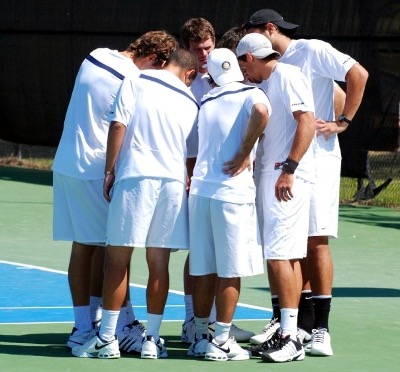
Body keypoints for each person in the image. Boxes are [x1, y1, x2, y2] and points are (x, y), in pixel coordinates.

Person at [243, 9, 369, 356]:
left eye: (253, 34)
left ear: (269, 29)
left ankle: (320, 329)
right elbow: (330, 92)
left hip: (318, 162)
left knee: (314, 240)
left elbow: (357, 73)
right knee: (285, 244)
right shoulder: (266, 70)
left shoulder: (310, 49)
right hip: (285, 163)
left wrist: (342, 122)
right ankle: (291, 322)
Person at [52, 30, 178, 353]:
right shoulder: (133, 77)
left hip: (67, 163)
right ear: (154, 60)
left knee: (86, 246)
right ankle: (121, 325)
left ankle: (86, 326)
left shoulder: (95, 54)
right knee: (117, 251)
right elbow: (124, 124)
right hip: (95, 169)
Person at [71, 48, 200, 360]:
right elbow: (190, 154)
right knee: (159, 263)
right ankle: (152, 340)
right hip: (172, 183)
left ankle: (106, 339)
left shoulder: (135, 79)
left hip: (135, 178)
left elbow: (118, 125)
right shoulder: (191, 100)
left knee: (116, 258)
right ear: (190, 74)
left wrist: (109, 170)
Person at [236, 33, 316, 363]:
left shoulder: (288, 75)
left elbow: (307, 122)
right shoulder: (266, 83)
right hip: (272, 175)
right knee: (287, 255)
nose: (243, 72)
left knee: (280, 255)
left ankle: (290, 337)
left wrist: (289, 169)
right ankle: (291, 331)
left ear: (251, 58)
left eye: (243, 65)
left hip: (286, 177)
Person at [187, 48, 270, 362]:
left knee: (205, 268)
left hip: (201, 193)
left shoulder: (207, 99)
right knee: (230, 270)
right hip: (231, 195)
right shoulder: (252, 92)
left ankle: (200, 335)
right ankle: (222, 340)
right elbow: (262, 113)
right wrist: (244, 151)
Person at [179, 17, 255, 344]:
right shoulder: (187, 81)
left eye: (208, 48)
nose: (203, 54)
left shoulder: (229, 79)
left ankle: (214, 322)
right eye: (197, 49)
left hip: (223, 178)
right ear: (188, 49)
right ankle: (192, 321)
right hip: (195, 175)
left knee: (217, 253)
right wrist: (186, 171)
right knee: (198, 251)